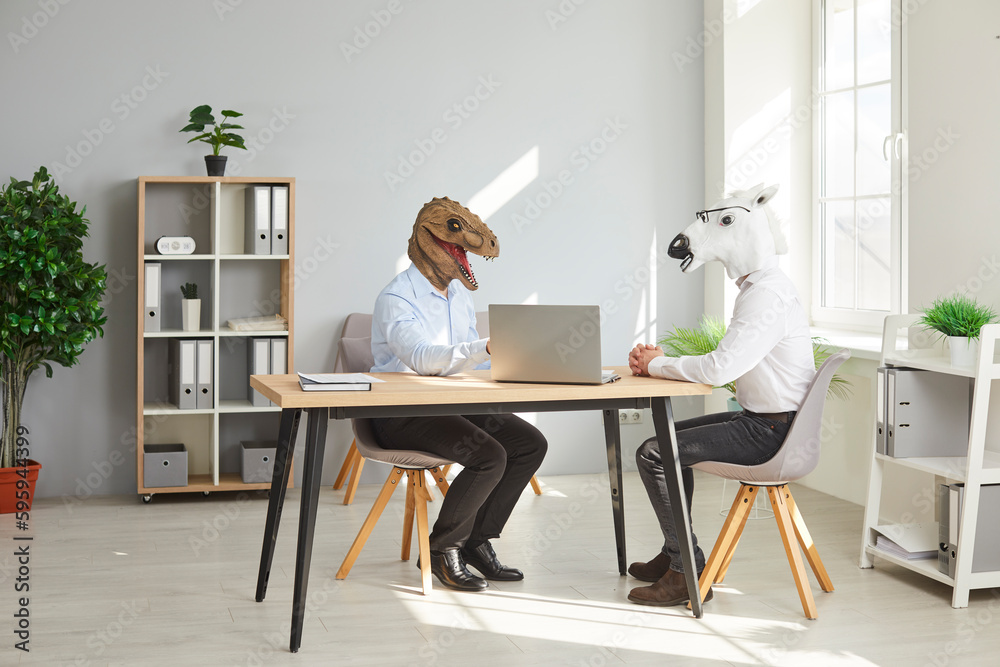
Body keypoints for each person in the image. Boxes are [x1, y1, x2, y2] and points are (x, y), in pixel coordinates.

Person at [625, 184, 815, 607]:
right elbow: (727, 363)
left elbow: (720, 368)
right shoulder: (763, 286)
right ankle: (673, 551)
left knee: (655, 452)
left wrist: (656, 364)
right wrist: (661, 361)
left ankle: (684, 569)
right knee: (665, 443)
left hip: (769, 433)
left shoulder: (766, 294)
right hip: (761, 421)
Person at [370, 196, 547, 592]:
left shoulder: (460, 297)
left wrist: (521, 358)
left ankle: (475, 541)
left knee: (529, 444)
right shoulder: (396, 298)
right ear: (424, 234)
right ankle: (441, 548)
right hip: (399, 413)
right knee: (489, 456)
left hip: (454, 406)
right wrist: (483, 348)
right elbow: (420, 358)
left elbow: (471, 363)